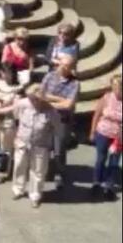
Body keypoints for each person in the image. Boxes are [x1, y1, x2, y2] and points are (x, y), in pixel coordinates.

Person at [40, 54, 80, 188]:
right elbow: (40, 95)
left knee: (59, 149)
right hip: (46, 116)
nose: (66, 68)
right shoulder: (49, 76)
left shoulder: (75, 83)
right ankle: (42, 171)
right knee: (43, 146)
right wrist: (60, 100)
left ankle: (59, 174)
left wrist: (50, 100)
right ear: (59, 64)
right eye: (64, 65)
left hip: (62, 120)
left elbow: (68, 105)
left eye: (69, 66)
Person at [0, 64, 23, 182]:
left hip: (8, 119)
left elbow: (16, 106)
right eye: (4, 72)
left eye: (9, 72)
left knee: (6, 148)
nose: (6, 75)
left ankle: (3, 172)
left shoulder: (18, 87)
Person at [89, 75, 122, 201]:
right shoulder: (106, 98)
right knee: (101, 159)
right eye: (114, 86)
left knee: (114, 162)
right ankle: (96, 183)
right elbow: (96, 115)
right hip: (103, 132)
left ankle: (109, 186)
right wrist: (92, 132)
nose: (116, 89)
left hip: (118, 136)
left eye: (118, 87)